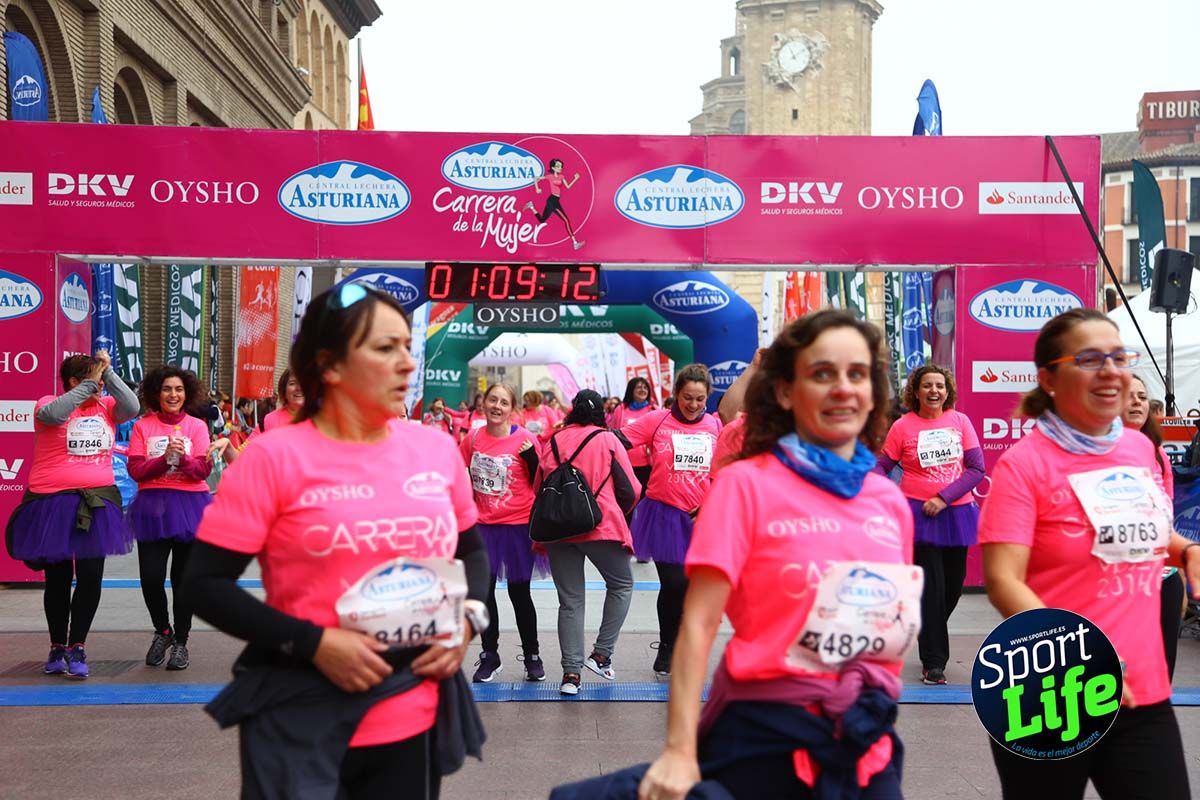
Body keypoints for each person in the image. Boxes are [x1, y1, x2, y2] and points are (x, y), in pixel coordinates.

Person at [187, 282, 490, 798]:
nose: (407, 364)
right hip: (301, 712)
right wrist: (316, 644)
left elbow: (472, 552)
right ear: (329, 365)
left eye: (405, 347)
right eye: (384, 348)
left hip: (410, 711)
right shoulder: (272, 457)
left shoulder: (435, 449)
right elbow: (202, 584)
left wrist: (467, 621)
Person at [638, 310, 916, 800]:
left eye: (858, 374)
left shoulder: (888, 502)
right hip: (764, 733)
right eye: (822, 373)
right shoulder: (745, 485)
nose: (843, 388)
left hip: (865, 736)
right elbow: (699, 624)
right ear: (786, 391)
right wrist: (680, 750)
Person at [979, 308, 1198, 800]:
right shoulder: (1024, 465)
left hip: (1142, 690)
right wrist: (1085, 656)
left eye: (1119, 357)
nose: (1111, 371)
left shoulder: (1139, 450)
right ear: (1048, 379)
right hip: (1051, 693)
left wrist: (1185, 550)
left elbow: (1146, 533)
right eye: (1090, 358)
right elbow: (1002, 579)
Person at [4, 352, 139, 679]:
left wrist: (108, 374)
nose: (100, 388)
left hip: (96, 501)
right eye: (93, 380)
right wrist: (90, 382)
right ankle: (56, 646)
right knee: (59, 579)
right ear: (75, 382)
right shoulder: (47, 404)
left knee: (91, 576)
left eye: (101, 381)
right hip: (53, 503)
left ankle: (77, 645)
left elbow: (133, 407)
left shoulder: (107, 407)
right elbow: (54, 414)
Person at [877, 364, 983, 686]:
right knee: (932, 587)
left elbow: (977, 468)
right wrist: (890, 499)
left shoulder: (960, 421)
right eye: (927, 386)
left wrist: (944, 497)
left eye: (940, 385)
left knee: (953, 584)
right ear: (917, 391)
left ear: (947, 390)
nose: (934, 391)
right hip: (919, 515)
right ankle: (934, 662)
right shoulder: (902, 426)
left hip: (955, 512)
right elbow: (882, 468)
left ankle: (927, 624)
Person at [622, 365, 723, 676]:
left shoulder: (715, 426)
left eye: (700, 399)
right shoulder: (657, 420)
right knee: (674, 583)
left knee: (696, 588)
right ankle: (667, 647)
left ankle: (688, 645)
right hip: (664, 514)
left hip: (702, 518)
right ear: (676, 394)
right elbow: (617, 442)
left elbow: (725, 468)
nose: (693, 405)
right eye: (687, 397)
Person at [538, 390, 641, 695]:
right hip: (600, 525)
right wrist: (614, 509)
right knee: (621, 584)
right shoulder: (608, 439)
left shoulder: (553, 440)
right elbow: (632, 489)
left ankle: (571, 675)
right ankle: (601, 654)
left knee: (570, 600)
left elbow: (539, 486)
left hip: (557, 529)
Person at [126, 366, 214, 671]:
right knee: (150, 577)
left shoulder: (198, 426)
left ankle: (181, 643)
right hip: (154, 507)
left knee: (183, 581)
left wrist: (184, 458)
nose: (173, 395)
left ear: (186, 393)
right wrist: (164, 460)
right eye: (166, 389)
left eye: (178, 389)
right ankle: (163, 630)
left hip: (191, 505)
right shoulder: (143, 426)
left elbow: (203, 471)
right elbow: (136, 470)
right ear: (156, 393)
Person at [460, 383, 548, 683]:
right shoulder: (472, 438)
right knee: (483, 593)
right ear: (483, 403)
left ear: (513, 410)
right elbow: (460, 474)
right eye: (492, 400)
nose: (497, 406)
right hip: (483, 526)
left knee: (519, 592)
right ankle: (490, 655)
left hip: (517, 526)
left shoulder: (525, 439)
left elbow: (542, 481)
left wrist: (532, 461)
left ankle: (532, 655)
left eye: (504, 402)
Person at [1123, 374, 1185, 681]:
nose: (1136, 401)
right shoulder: (1095, 451)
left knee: (1161, 670)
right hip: (1119, 580)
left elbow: (1167, 517)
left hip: (1163, 575)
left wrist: (1179, 572)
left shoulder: (1158, 453)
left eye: (1142, 396)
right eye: (1129, 395)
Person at [607, 377, 658, 493]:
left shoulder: (653, 410)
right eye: (639, 387)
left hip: (647, 464)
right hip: (624, 463)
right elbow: (612, 435)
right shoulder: (620, 410)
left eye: (645, 388)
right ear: (631, 390)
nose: (643, 390)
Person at [523, 158, 585, 251]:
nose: (560, 168)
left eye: (561, 166)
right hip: (552, 201)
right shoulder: (550, 176)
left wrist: (575, 179)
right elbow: (536, 178)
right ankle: (575, 243)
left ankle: (531, 206)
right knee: (566, 220)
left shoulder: (562, 177)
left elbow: (568, 187)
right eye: (558, 166)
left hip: (555, 200)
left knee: (542, 220)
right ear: (553, 167)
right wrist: (537, 188)